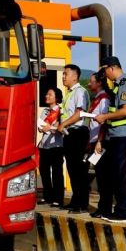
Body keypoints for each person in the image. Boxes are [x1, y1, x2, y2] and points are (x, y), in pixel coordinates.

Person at [94, 56, 126, 223]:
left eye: (105, 71)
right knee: (118, 174)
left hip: (124, 135)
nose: (105, 75)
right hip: (117, 135)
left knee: (124, 174)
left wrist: (104, 116)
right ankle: (120, 209)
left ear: (111, 68)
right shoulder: (117, 87)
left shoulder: (124, 85)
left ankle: (123, 213)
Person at [56, 64, 90, 213]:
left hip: (78, 133)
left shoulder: (80, 92)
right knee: (72, 169)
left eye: (66, 74)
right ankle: (76, 200)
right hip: (69, 133)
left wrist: (63, 124)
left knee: (78, 169)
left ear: (75, 76)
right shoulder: (69, 93)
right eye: (63, 74)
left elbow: (79, 114)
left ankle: (81, 204)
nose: (63, 76)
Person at [87, 70, 112, 219]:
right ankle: (102, 208)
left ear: (99, 83)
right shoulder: (96, 98)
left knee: (104, 178)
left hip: (100, 142)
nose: (89, 83)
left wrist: (99, 141)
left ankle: (105, 208)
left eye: (92, 81)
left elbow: (104, 122)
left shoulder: (104, 99)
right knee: (100, 176)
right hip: (94, 140)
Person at [38, 87, 64, 206]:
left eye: (50, 94)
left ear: (56, 98)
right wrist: (42, 128)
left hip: (56, 145)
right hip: (44, 145)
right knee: (44, 172)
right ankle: (47, 196)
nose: (46, 96)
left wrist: (51, 128)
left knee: (57, 172)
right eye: (46, 94)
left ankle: (58, 198)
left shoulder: (60, 111)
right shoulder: (45, 111)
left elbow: (60, 128)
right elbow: (40, 126)